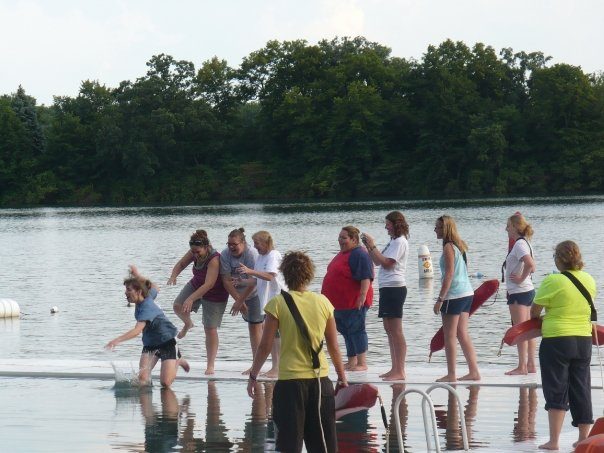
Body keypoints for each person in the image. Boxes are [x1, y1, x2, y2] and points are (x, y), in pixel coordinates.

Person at [246, 251, 348, 453]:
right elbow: (333, 346)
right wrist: (342, 377)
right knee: (323, 447)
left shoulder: (277, 303)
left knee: (288, 445)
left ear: (284, 273)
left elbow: (265, 346)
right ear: (309, 275)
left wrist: (253, 375)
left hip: (290, 383)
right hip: (320, 382)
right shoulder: (323, 302)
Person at [531, 240, 596, 450]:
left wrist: (542, 320)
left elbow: (534, 311)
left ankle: (554, 441)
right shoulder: (589, 279)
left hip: (557, 340)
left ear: (559, 259)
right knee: (581, 388)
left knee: (556, 388)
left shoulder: (553, 280)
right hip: (584, 340)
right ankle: (583, 438)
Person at [106, 265, 189, 387]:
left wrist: (117, 340)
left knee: (165, 383)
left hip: (167, 343)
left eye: (129, 290)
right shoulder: (147, 296)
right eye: (125, 289)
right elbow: (156, 287)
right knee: (142, 379)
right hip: (150, 345)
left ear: (139, 291)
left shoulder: (146, 308)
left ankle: (178, 361)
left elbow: (137, 331)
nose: (125, 293)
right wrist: (137, 275)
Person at [168, 230, 228, 375]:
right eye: (193, 252)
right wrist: (174, 275)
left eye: (198, 252)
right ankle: (188, 323)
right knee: (177, 306)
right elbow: (181, 264)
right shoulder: (193, 251)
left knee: (210, 328)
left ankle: (210, 365)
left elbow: (209, 284)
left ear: (206, 247)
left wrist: (191, 298)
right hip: (196, 283)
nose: (195, 255)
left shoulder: (214, 259)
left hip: (215, 292)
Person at [362, 211, 409, 381]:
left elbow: (388, 264)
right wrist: (369, 246)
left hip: (395, 288)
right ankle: (394, 367)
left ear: (395, 224)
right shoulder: (392, 242)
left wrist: (373, 245)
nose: (386, 227)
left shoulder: (400, 241)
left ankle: (400, 370)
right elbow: (377, 261)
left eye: (388, 224)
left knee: (396, 330)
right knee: (388, 329)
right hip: (387, 288)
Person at [432, 215, 480, 382]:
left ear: (445, 229)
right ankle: (474, 371)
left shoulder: (448, 247)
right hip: (467, 293)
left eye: (437, 227)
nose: (435, 230)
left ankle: (451, 374)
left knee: (449, 335)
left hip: (454, 295)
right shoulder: (460, 245)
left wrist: (440, 299)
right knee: (462, 333)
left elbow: (450, 274)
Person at [321, 226, 374, 372]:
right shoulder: (343, 253)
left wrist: (362, 296)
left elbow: (366, 276)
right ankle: (352, 361)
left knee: (357, 330)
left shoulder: (360, 254)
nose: (340, 240)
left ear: (354, 239)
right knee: (345, 331)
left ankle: (362, 362)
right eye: (339, 237)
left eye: (344, 238)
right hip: (338, 304)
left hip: (353, 302)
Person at [237, 230, 286, 378]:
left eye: (257, 243)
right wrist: (243, 281)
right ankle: (275, 365)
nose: (255, 246)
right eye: (254, 244)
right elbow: (258, 279)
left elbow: (270, 275)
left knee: (275, 333)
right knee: (272, 333)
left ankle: (277, 367)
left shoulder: (273, 255)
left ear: (265, 243)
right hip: (267, 301)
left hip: (278, 298)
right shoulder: (261, 257)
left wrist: (250, 270)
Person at [220, 228, 261, 372]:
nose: (231, 247)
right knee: (255, 327)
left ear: (243, 242)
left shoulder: (251, 254)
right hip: (240, 294)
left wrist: (240, 301)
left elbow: (254, 281)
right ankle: (258, 363)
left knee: (255, 326)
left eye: (234, 244)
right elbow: (226, 280)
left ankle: (256, 365)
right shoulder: (225, 254)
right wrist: (239, 300)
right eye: (229, 244)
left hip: (257, 293)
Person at [503, 213, 537, 375]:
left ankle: (522, 366)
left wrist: (520, 278)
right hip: (528, 291)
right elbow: (532, 266)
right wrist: (523, 276)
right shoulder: (526, 243)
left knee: (520, 330)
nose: (506, 229)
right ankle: (530, 364)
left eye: (508, 226)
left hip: (519, 292)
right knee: (528, 330)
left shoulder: (519, 245)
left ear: (516, 227)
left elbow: (530, 264)